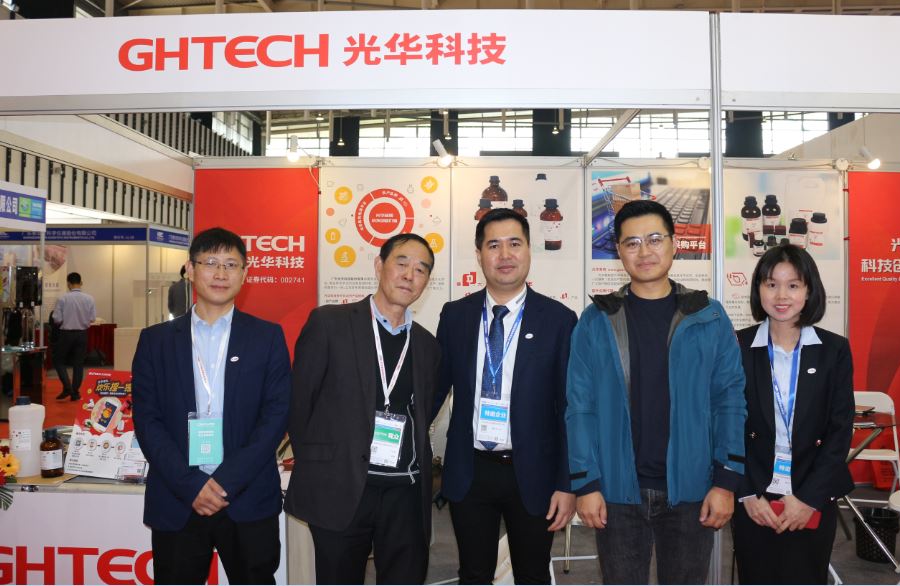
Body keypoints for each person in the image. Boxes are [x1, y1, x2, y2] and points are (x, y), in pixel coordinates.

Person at [566, 199, 746, 584]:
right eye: (631, 243)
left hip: (692, 491)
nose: (644, 251)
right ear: (618, 251)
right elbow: (580, 407)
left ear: (674, 243)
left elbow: (729, 402)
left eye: (654, 239)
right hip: (616, 493)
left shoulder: (708, 316)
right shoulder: (596, 320)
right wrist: (586, 484)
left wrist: (726, 480)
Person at [133, 227, 291, 584]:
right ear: (190, 269)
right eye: (211, 263)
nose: (221, 273)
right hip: (178, 498)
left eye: (231, 265)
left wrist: (225, 482)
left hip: (247, 497)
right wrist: (191, 485)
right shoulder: (156, 341)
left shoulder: (267, 337)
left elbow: (276, 416)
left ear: (245, 274)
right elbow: (148, 420)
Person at [285, 232, 441, 584]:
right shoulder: (329, 323)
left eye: (421, 269)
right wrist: (321, 470)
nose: (409, 275)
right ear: (379, 265)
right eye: (402, 263)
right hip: (341, 489)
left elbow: (424, 411)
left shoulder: (426, 345)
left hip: (404, 493)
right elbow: (300, 405)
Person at [433, 208, 577, 585]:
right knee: (473, 574)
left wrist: (567, 483)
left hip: (534, 472)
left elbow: (569, 409)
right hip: (470, 470)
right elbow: (433, 391)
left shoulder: (559, 320)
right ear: (479, 254)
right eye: (493, 245)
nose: (505, 254)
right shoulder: (456, 316)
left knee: (532, 574)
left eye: (515, 243)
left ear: (529, 250)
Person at [732, 244, 854, 584]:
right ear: (758, 289)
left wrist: (809, 499)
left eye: (793, 285)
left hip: (811, 493)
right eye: (771, 284)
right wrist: (746, 492)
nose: (781, 295)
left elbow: (840, 429)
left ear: (809, 291)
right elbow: (725, 424)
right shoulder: (737, 346)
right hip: (755, 496)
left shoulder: (834, 350)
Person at [52, 272, 96, 401]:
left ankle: (67, 387)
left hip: (66, 334)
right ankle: (75, 392)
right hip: (82, 334)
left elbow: (57, 319)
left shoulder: (63, 299)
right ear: (81, 283)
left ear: (68, 284)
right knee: (78, 363)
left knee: (58, 360)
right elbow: (92, 318)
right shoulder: (89, 299)